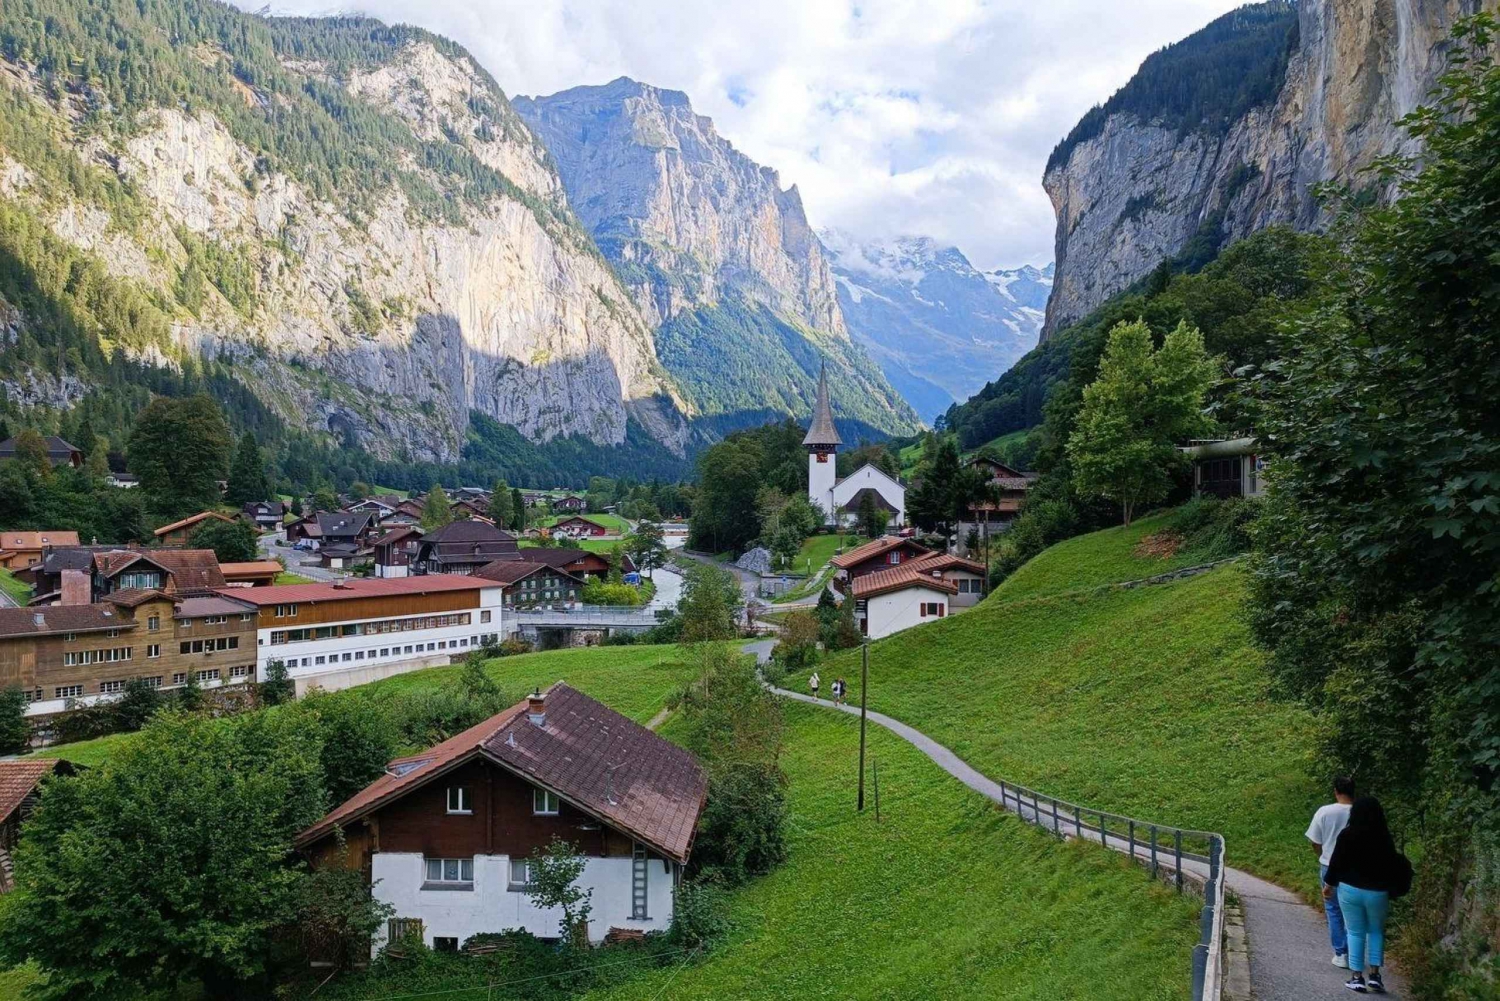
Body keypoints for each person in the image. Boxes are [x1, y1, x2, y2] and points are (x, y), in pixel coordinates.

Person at [1323, 797, 1412, 994]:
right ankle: (1375, 975)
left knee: (1354, 932)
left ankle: (1356, 977)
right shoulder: (1384, 838)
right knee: (1376, 931)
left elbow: (1336, 862)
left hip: (1350, 889)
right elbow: (1391, 866)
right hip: (1378, 892)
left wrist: (1329, 885)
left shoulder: (1347, 835)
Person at [1306, 776, 1356, 968]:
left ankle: (1341, 953)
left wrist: (1323, 854)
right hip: (1355, 868)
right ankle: (1355, 952)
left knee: (1333, 910)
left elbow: (1315, 841)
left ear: (1336, 791)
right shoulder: (1361, 812)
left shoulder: (1325, 812)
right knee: (1352, 911)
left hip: (1329, 864)